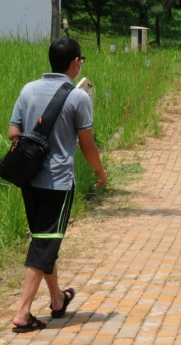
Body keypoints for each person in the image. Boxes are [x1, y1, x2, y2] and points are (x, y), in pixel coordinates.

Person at [8, 37, 107, 333]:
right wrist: (100, 173)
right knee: (44, 243)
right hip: (58, 183)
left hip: (29, 180)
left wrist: (36, 142)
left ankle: (57, 299)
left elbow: (13, 133)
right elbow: (88, 145)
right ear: (76, 62)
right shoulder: (78, 98)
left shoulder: (27, 90)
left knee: (45, 240)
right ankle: (23, 314)